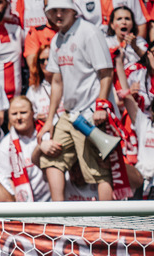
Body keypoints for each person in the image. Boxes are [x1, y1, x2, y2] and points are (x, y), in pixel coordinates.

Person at [39, 0, 117, 202]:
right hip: (70, 113)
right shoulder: (57, 40)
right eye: (53, 11)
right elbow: (57, 81)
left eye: (62, 10)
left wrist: (101, 105)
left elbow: (106, 72)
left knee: (98, 170)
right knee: (51, 157)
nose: (58, 15)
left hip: (91, 112)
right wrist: (49, 121)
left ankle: (106, 226)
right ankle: (59, 217)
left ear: (74, 11)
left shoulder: (90, 32)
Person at [0, 96, 50, 202]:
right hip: (25, 208)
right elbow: (7, 181)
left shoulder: (46, 135)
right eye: (14, 114)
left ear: (33, 113)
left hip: (51, 203)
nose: (18, 117)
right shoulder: (5, 145)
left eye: (23, 112)